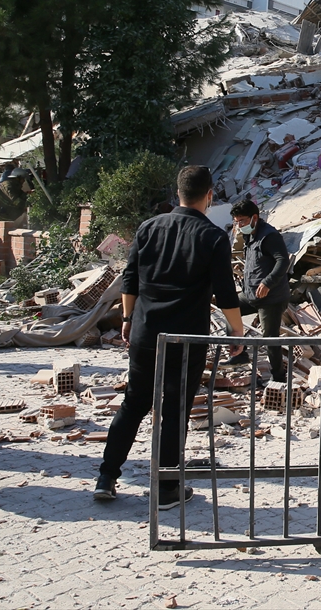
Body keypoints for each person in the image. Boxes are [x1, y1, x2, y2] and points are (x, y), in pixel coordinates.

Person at [95, 166, 244, 509]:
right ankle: (166, 490)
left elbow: (129, 280)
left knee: (134, 403)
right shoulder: (212, 237)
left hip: (147, 331)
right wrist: (236, 331)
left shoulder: (148, 228)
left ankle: (106, 477)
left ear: (178, 193)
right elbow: (225, 293)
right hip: (186, 337)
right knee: (174, 411)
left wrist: (129, 318)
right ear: (209, 195)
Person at [227, 199, 291, 382]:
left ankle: (279, 378)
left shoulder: (269, 236)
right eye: (236, 221)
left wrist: (268, 282)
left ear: (254, 218)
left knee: (270, 340)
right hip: (251, 294)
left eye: (243, 221)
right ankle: (239, 353)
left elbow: (282, 261)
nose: (239, 225)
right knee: (230, 309)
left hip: (271, 298)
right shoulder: (249, 235)